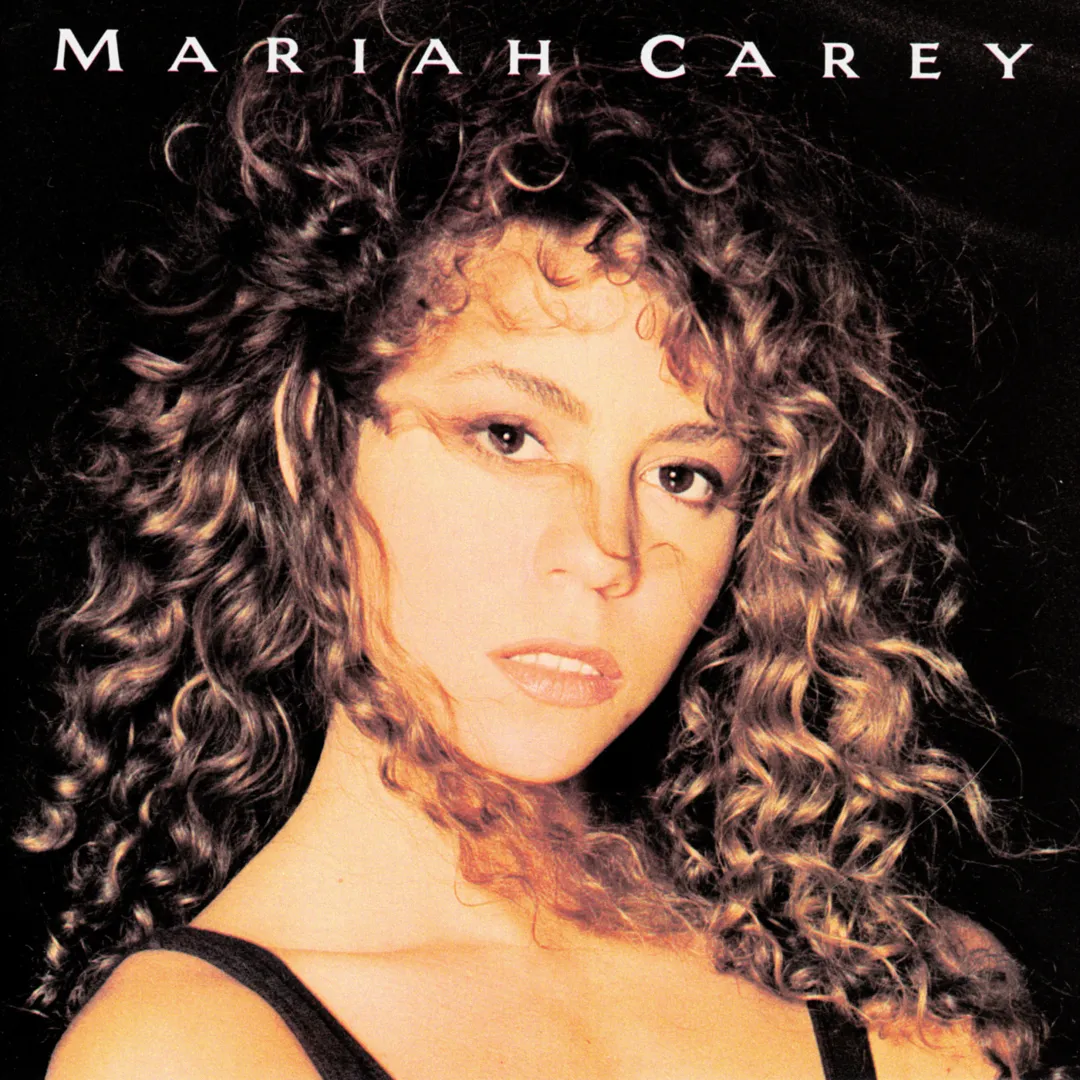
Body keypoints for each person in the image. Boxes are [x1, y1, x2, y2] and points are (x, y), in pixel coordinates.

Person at [19, 3, 1056, 1077]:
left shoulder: (916, 1002)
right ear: (309, 450)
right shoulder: (190, 1051)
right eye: (509, 437)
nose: (606, 551)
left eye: (684, 476)